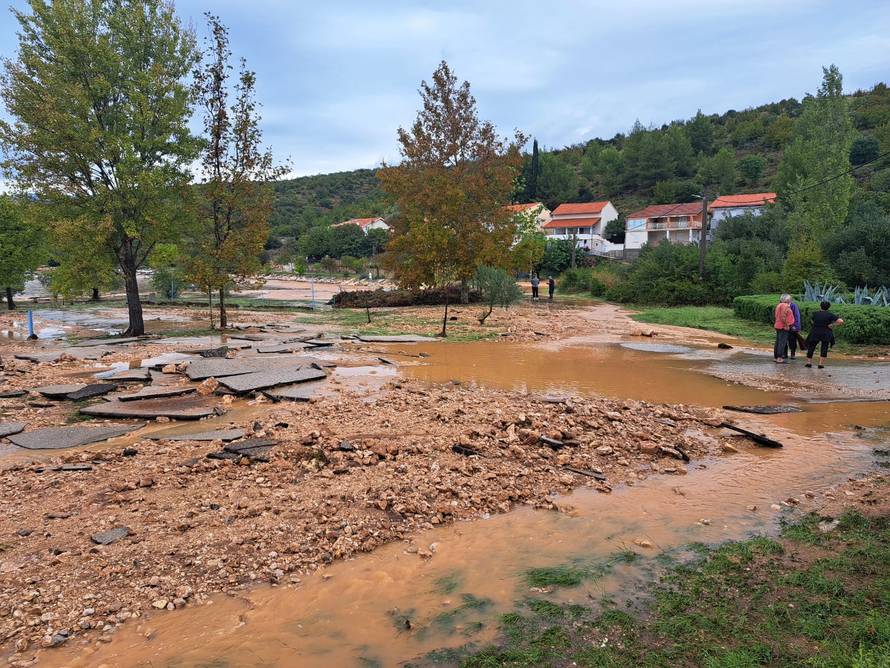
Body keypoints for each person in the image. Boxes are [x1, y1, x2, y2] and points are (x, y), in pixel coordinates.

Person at [805, 301, 844, 369]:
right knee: (824, 347)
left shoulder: (815, 314)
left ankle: (809, 363)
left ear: (820, 306)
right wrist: (832, 325)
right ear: (828, 307)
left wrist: (816, 324)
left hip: (815, 332)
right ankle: (820, 364)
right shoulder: (830, 315)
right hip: (826, 332)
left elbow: (812, 321)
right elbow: (841, 321)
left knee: (811, 347)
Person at [773, 293, 794, 364]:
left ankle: (776, 357)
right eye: (790, 299)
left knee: (778, 341)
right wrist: (786, 325)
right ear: (787, 299)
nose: (791, 300)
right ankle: (779, 358)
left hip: (778, 325)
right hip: (783, 326)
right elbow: (783, 317)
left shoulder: (779, 305)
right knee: (782, 342)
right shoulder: (785, 306)